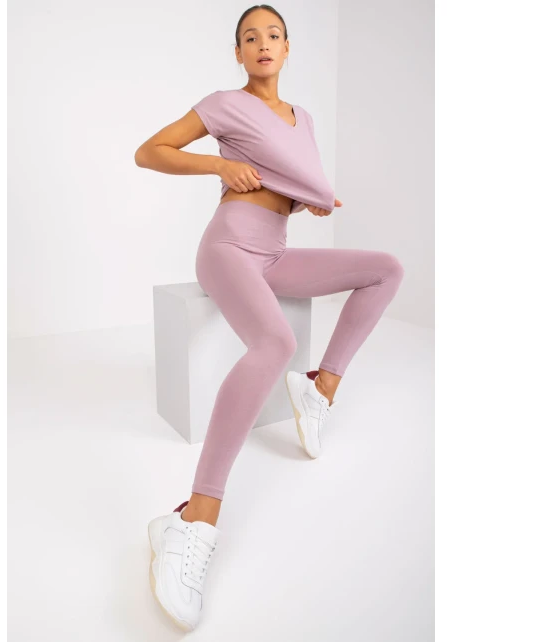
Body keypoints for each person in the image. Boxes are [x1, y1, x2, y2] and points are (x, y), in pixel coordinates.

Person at [134, 5, 404, 631]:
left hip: (275, 251)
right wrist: (218, 165)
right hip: (229, 245)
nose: (262, 44)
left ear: (287, 48)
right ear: (238, 53)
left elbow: (292, 182)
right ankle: (192, 520)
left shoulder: (303, 118)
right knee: (274, 342)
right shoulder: (224, 104)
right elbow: (149, 151)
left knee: (386, 268)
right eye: (249, 37)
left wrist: (306, 203)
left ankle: (320, 388)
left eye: (273, 35)